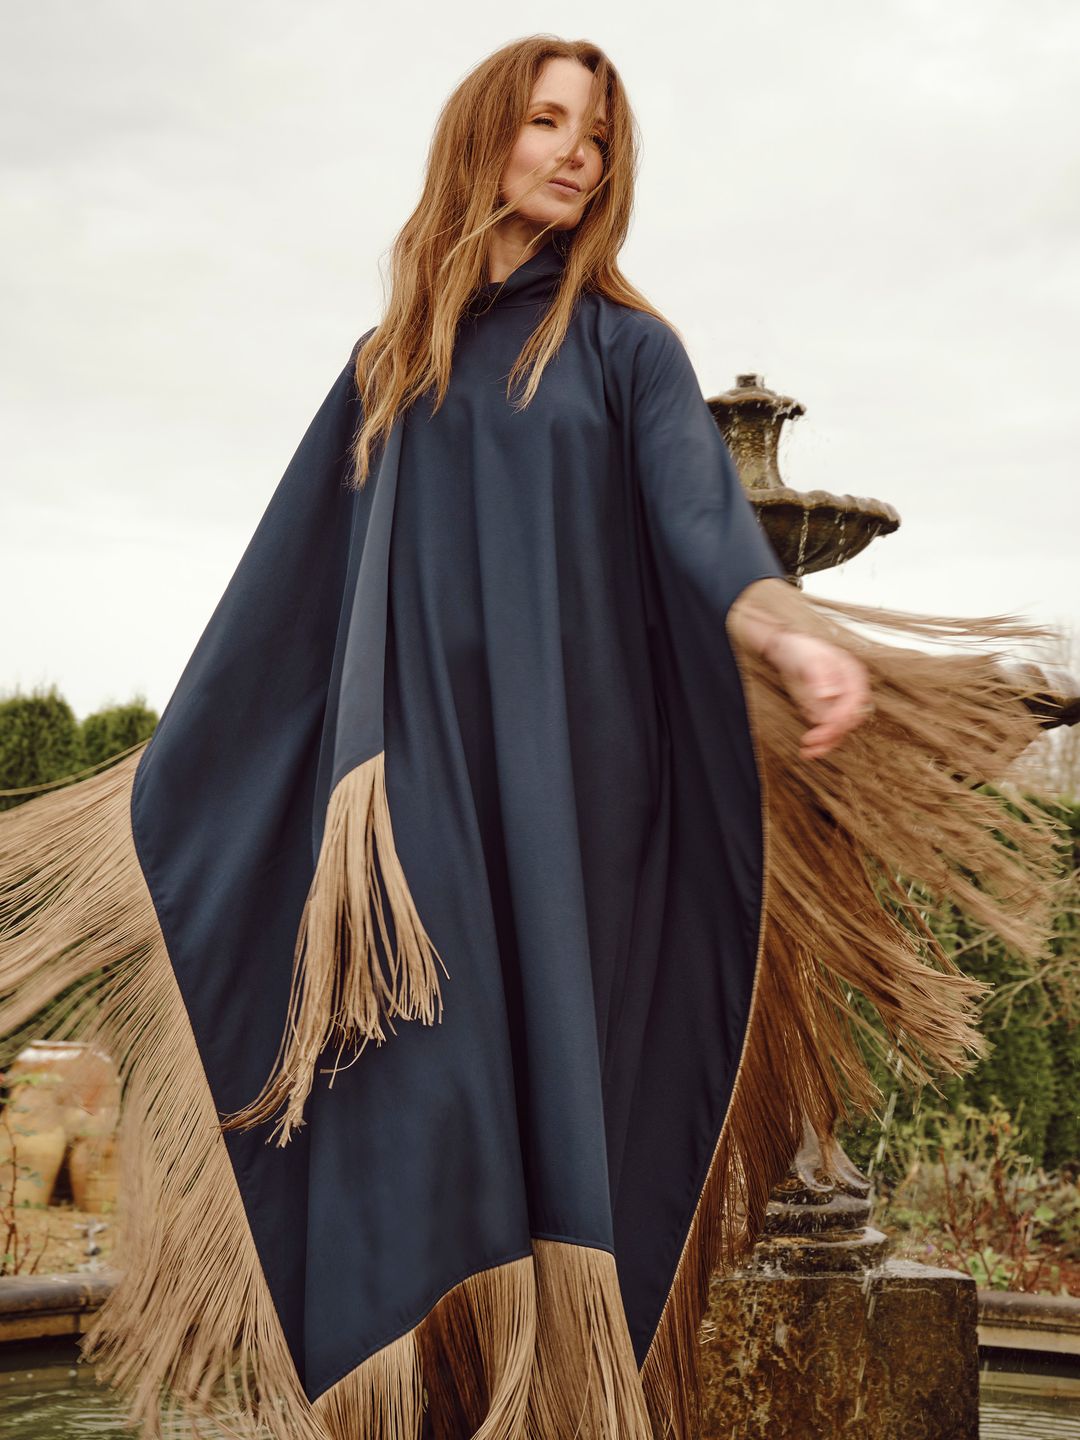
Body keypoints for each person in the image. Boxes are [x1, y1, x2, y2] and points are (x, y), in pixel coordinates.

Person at [0, 35, 1064, 1440]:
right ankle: (416, 1403)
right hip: (419, 795)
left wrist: (788, 629)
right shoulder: (391, 363)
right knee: (419, 1098)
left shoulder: (627, 348)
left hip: (579, 808)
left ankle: (554, 1404)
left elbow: (702, 524)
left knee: (562, 1113)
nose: (578, 152)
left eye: (601, 137)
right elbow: (285, 596)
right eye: (550, 122)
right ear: (484, 135)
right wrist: (184, 782)